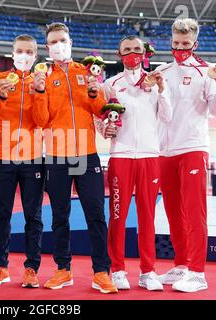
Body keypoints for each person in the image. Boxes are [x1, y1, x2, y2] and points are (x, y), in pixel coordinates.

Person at [32, 22, 117, 294]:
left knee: (95, 214)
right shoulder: (43, 76)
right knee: (59, 215)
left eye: (63, 40)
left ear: (70, 41)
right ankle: (62, 269)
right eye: (54, 42)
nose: (59, 45)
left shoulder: (86, 72)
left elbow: (100, 110)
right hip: (57, 154)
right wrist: (41, 92)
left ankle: (102, 272)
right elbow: (41, 119)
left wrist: (95, 90)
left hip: (85, 154)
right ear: (47, 47)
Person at [156, 18, 216, 292]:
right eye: (175, 43)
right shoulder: (162, 71)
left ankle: (198, 272)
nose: (179, 48)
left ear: (195, 44)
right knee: (173, 213)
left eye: (185, 44)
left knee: (194, 212)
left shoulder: (208, 71)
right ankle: (181, 265)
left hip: (193, 148)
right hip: (165, 150)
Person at [95, 35, 172, 291]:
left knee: (148, 216)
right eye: (126, 50)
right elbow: (100, 116)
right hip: (121, 156)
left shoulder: (157, 81)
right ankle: (117, 269)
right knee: (118, 216)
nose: (132, 53)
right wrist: (104, 128)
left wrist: (161, 90)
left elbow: (167, 116)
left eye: (136, 49)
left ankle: (148, 271)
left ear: (145, 53)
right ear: (119, 55)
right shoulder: (111, 84)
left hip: (150, 155)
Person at [0, 34, 44, 288]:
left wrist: (39, 92)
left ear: (36, 55)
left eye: (29, 52)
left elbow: (42, 120)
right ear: (12, 52)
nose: (25, 56)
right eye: (20, 51)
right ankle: (0, 267)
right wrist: (2, 97)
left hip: (33, 158)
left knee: (34, 216)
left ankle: (32, 268)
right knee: (2, 215)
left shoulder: (42, 81)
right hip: (4, 158)